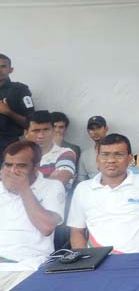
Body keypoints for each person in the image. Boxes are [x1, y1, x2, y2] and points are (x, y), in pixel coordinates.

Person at [68, 133, 139, 253]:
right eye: (105, 155)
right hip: (99, 264)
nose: (111, 160)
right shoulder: (83, 189)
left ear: (130, 158)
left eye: (118, 155)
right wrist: (85, 261)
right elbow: (77, 231)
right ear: (97, 159)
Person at [0, 141, 65, 289]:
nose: (13, 171)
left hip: (29, 267)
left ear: (36, 167)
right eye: (8, 165)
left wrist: (24, 189)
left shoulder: (52, 187)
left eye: (21, 166)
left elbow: (46, 227)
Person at [24, 110, 76, 189]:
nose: (41, 135)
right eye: (36, 131)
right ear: (26, 134)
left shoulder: (65, 153)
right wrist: (49, 180)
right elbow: (7, 184)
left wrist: (24, 187)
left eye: (46, 130)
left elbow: (60, 181)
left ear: (53, 131)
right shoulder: (18, 155)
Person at [0, 54, 34, 152]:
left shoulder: (20, 90)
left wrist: (8, 112)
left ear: (11, 69)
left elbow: (31, 123)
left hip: (10, 146)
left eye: (3, 66)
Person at [77, 115, 108, 182]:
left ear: (106, 129)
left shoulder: (116, 150)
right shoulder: (85, 155)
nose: (95, 132)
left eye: (98, 128)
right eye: (92, 129)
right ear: (88, 132)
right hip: (92, 190)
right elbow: (81, 178)